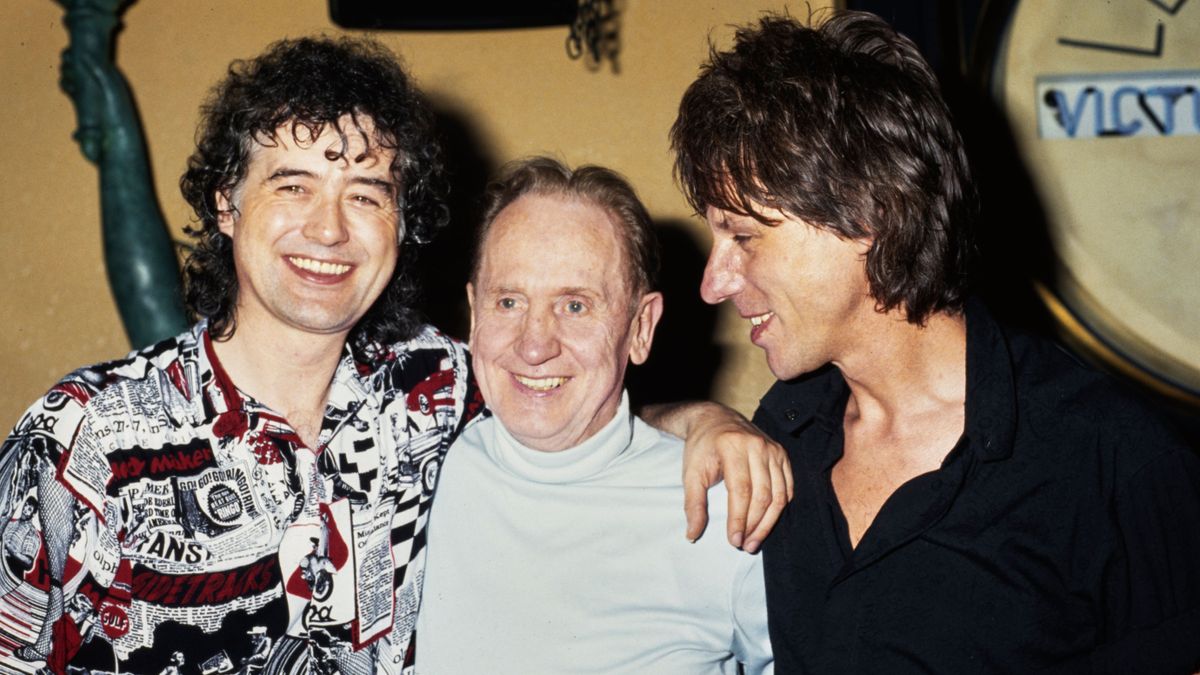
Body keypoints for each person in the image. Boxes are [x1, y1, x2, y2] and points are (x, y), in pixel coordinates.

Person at [0, 35, 786, 675]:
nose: (331, 229)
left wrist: (711, 423)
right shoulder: (80, 439)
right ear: (225, 204)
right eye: (293, 185)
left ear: (401, 223)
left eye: (367, 194)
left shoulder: (434, 391)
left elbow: (572, 400)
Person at [670, 9, 1200, 674]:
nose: (712, 283)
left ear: (869, 214)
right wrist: (701, 418)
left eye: (744, 236)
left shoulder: (1108, 459)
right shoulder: (784, 428)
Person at [416, 157, 773, 673]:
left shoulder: (728, 511)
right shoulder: (418, 466)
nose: (534, 345)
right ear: (474, 315)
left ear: (641, 328)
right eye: (509, 301)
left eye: (576, 306)